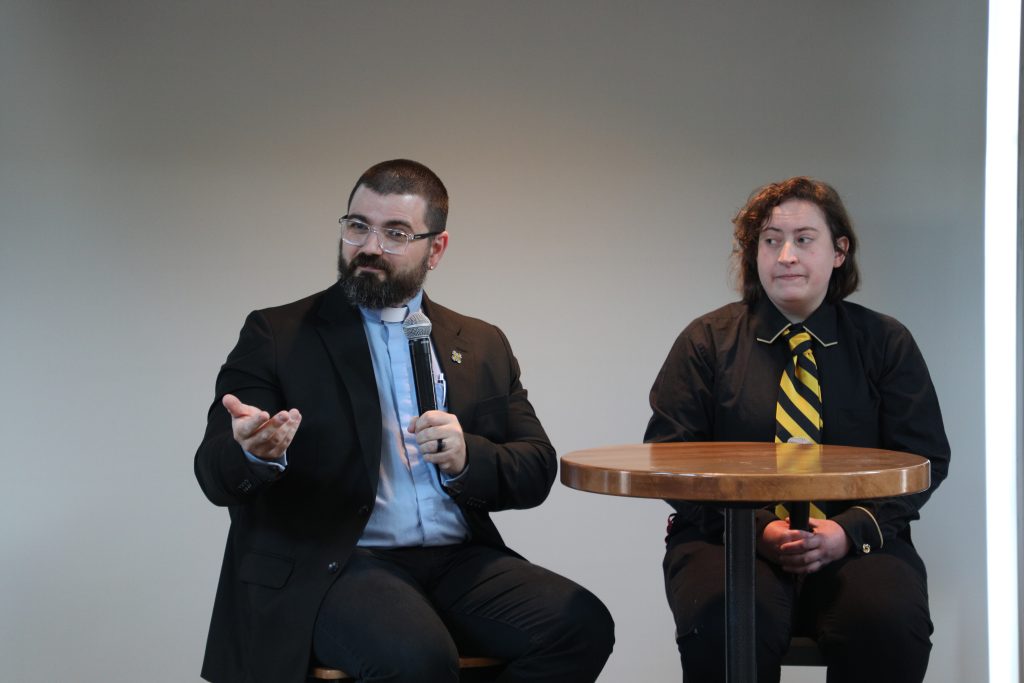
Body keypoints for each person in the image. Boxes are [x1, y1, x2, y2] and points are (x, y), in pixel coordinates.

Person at [195, 159, 614, 683]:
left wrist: (467, 459)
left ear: (435, 249)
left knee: (580, 625)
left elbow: (535, 467)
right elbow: (213, 471)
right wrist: (254, 451)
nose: (369, 246)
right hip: (335, 561)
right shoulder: (278, 334)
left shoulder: (481, 343)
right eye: (357, 226)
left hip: (455, 559)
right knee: (416, 658)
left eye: (395, 233)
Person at [644, 177, 949, 683]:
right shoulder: (706, 342)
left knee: (889, 624)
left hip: (857, 538)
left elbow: (924, 460)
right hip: (726, 538)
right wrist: (757, 528)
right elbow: (669, 456)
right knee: (727, 622)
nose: (786, 255)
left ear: (838, 252)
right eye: (770, 241)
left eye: (804, 239)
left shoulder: (886, 342)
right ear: (754, 254)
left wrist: (846, 532)